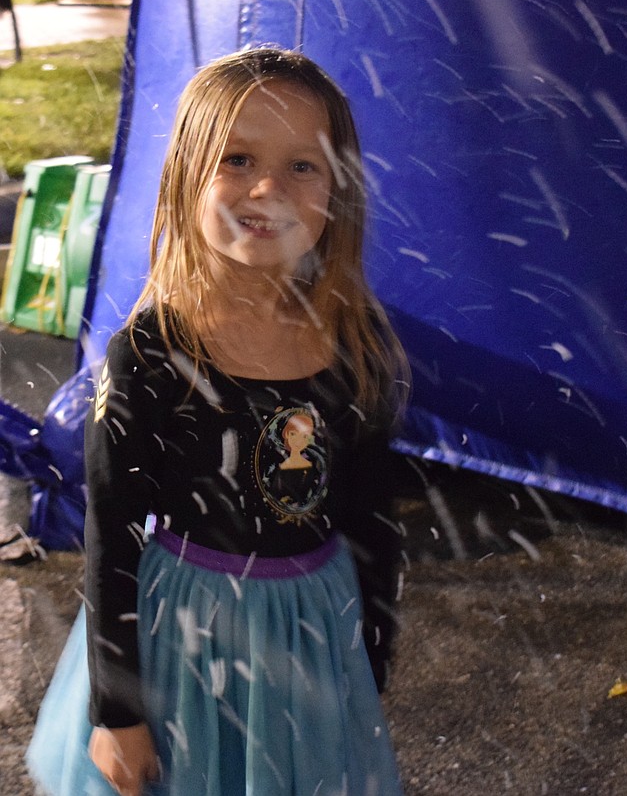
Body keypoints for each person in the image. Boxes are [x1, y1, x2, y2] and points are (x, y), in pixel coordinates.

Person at [26, 46, 409, 796]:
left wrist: (372, 645)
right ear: (185, 178)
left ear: (338, 190)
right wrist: (118, 710)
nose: (268, 188)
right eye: (238, 159)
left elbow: (369, 510)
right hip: (188, 645)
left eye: (303, 165)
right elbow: (112, 535)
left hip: (310, 635)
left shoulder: (354, 343)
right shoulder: (150, 355)